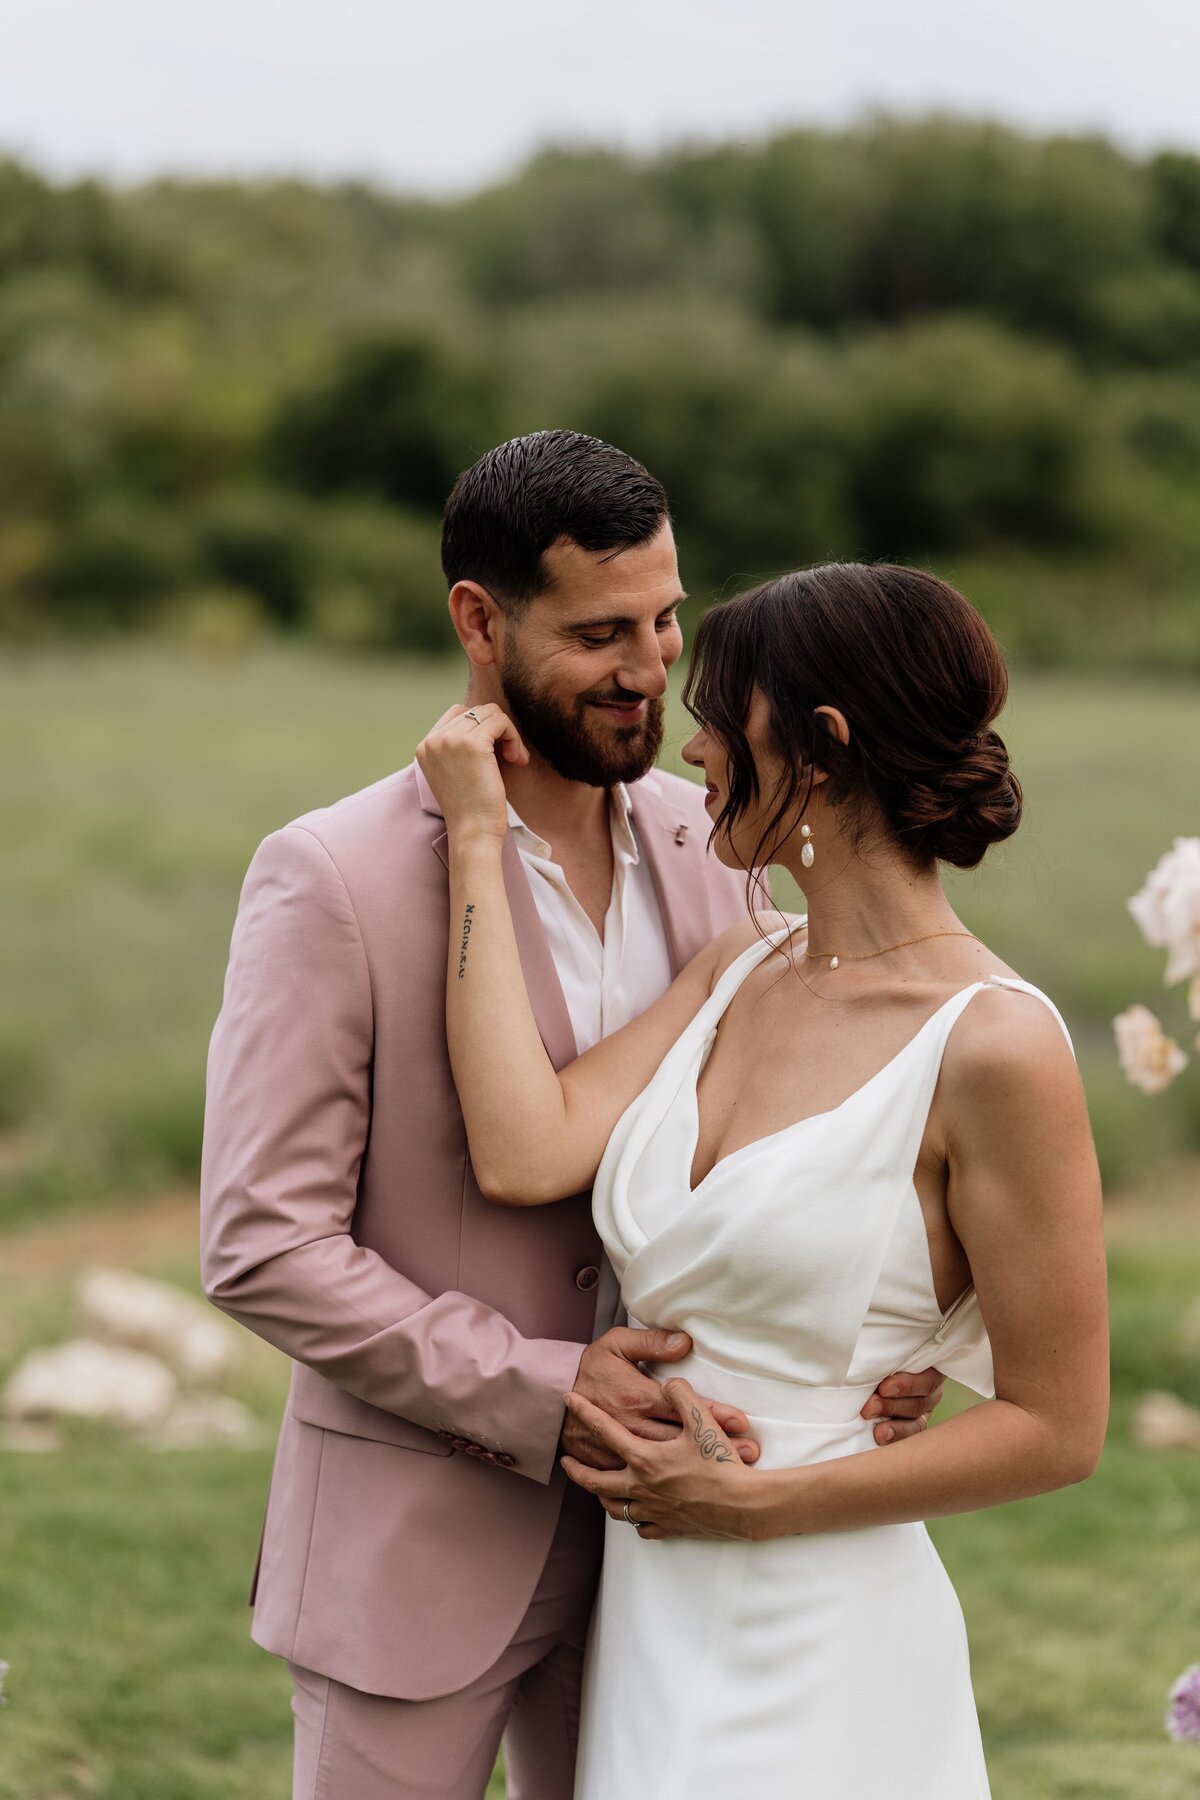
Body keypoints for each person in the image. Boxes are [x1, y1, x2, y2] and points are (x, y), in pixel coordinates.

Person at [200, 432, 943, 1800]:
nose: (653, 669)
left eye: (666, 620)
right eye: (602, 634)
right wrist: (543, 1388)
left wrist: (892, 1335)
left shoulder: (720, 845)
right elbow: (260, 1242)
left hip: (674, 1563)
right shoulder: (332, 877)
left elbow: (796, 1124)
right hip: (411, 1553)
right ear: (479, 623)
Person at [416, 559, 1110, 1799]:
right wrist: (480, 835)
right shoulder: (741, 964)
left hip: (823, 1623)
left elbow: (1060, 1429)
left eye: (717, 721)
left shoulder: (996, 1044)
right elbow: (522, 1149)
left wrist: (755, 1507)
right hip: (654, 1609)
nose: (690, 755)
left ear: (823, 746)